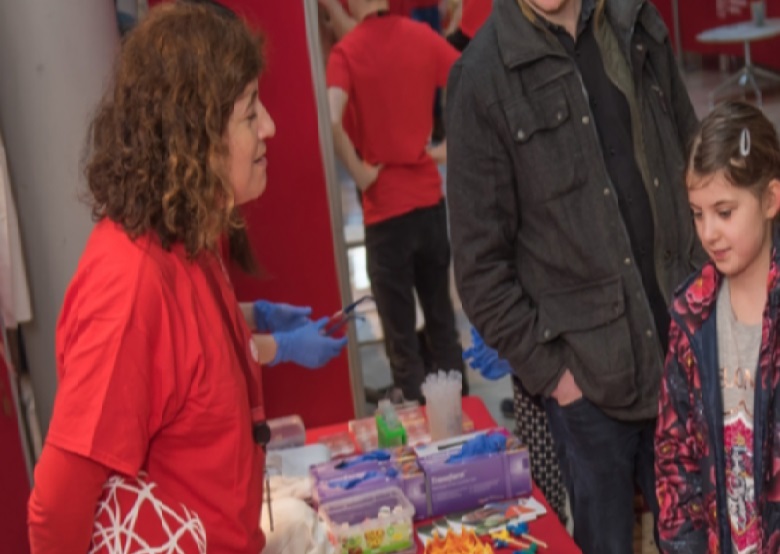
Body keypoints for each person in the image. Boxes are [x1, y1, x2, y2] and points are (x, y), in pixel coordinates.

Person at [27, 3, 344, 552]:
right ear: (193, 137)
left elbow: (184, 358)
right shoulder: (128, 285)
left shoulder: (189, 237)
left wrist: (255, 324)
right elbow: (57, 510)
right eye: (249, 114)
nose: (269, 126)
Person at [445, 0, 702, 551]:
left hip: (685, 356)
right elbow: (479, 270)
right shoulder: (483, 76)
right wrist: (557, 378)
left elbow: (693, 161)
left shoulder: (635, 20)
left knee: (703, 539)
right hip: (589, 392)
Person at [326, 0, 468, 403]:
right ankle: (461, 422)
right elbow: (469, 79)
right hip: (427, 201)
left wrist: (358, 171)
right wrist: (443, 150)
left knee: (402, 338)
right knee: (442, 322)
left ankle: (421, 434)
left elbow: (332, 118)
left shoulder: (346, 51)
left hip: (384, 209)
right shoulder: (420, 37)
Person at [656, 100, 780, 553]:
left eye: (724, 212)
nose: (708, 232)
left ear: (770, 200)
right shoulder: (692, 315)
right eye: (697, 212)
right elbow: (675, 456)